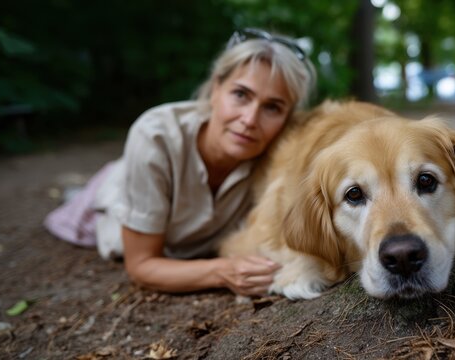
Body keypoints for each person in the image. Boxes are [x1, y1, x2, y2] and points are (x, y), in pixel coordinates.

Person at [44, 28, 316, 297]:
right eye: (241, 95)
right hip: (127, 184)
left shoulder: (277, 160)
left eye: (272, 107)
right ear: (215, 89)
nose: (249, 119)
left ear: (287, 119)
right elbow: (140, 265)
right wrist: (222, 271)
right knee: (90, 209)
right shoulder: (155, 135)